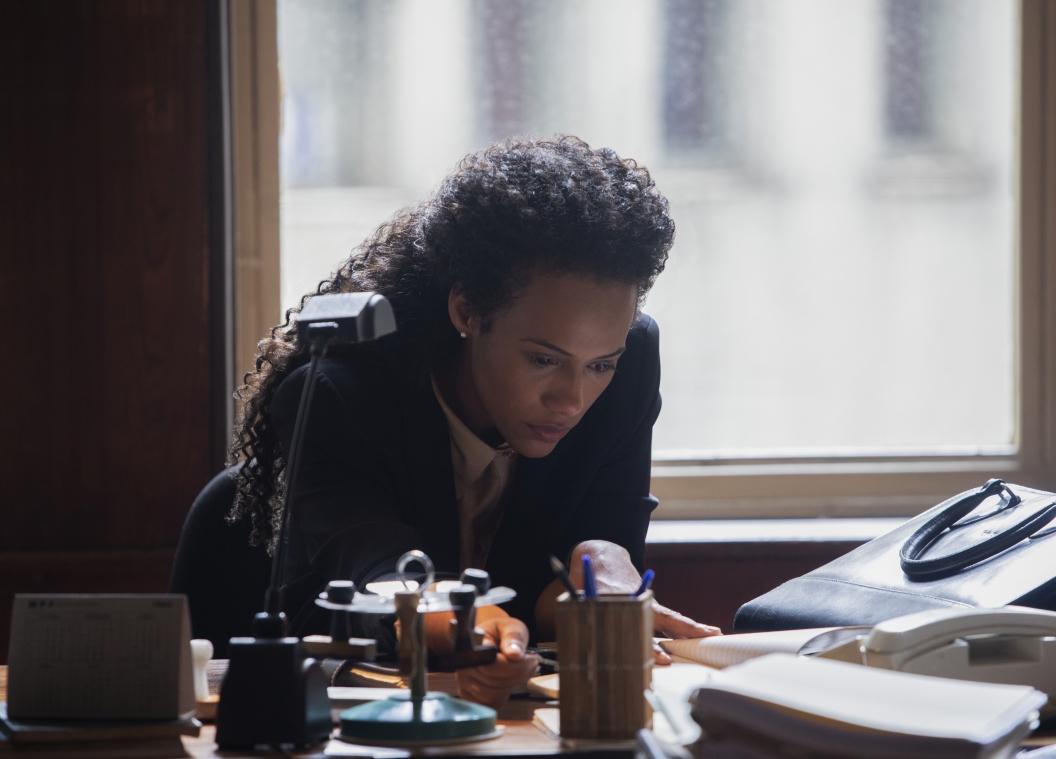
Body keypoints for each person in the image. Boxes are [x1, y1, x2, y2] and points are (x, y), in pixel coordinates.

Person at [228, 136, 720, 709]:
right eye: (544, 359)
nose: (572, 399)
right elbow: (379, 580)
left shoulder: (629, 370)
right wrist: (474, 625)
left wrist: (598, 569)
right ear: (467, 312)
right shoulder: (339, 394)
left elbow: (577, 555)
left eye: (600, 364)